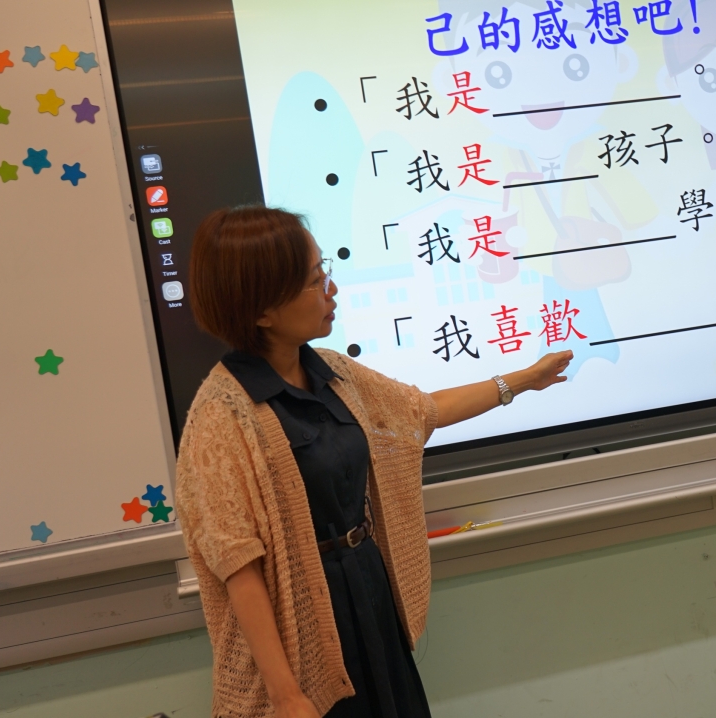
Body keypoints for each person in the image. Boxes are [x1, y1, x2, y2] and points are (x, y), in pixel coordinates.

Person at [175, 206, 572, 718]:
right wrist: (286, 695)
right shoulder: (221, 414)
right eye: (314, 280)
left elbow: (422, 411)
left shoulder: (334, 372)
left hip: (368, 591)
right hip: (302, 624)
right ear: (262, 310)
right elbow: (238, 566)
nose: (331, 289)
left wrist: (522, 380)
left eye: (325, 271)